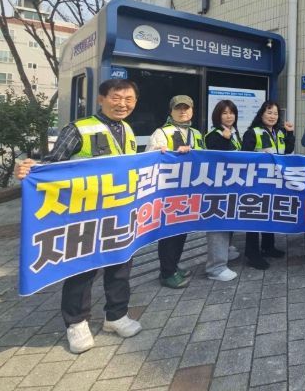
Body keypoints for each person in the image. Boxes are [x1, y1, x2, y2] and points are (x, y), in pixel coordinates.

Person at [15, 79, 142, 354]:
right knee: (82, 269)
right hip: (85, 216)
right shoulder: (79, 129)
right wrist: (32, 169)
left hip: (120, 213)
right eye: (116, 98)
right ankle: (76, 323)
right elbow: (53, 163)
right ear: (101, 99)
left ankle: (116, 316)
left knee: (121, 265)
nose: (123, 104)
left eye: (129, 99)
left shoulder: (128, 129)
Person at [146, 95, 204, 289]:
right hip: (169, 194)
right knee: (169, 233)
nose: (183, 111)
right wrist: (160, 151)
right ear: (171, 111)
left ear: (192, 111)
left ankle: (174, 265)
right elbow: (150, 159)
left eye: (186, 108)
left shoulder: (196, 133)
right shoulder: (161, 132)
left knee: (181, 232)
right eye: (178, 108)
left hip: (190, 191)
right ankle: (167, 272)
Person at [241, 100, 295, 269]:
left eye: (275, 113)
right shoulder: (252, 132)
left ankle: (268, 247)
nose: (272, 116)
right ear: (261, 114)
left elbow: (287, 151)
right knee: (255, 217)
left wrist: (290, 133)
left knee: (270, 214)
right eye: (269, 112)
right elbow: (244, 156)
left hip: (274, 181)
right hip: (257, 181)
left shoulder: (279, 132)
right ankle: (252, 254)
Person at [203, 99, 243, 282]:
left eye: (232, 112)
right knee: (218, 223)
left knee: (229, 220)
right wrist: (225, 140)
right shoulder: (214, 135)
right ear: (217, 116)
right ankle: (215, 268)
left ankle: (226, 250)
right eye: (225, 113)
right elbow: (220, 159)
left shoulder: (234, 132)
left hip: (232, 185)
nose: (229, 116)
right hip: (218, 188)